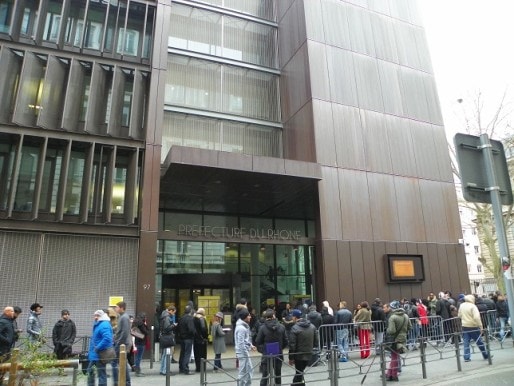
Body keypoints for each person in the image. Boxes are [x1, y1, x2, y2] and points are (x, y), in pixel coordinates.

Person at [255, 309, 288, 386]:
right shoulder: (282, 327)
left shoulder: (262, 328)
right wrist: (280, 348)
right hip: (278, 354)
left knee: (265, 376)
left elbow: (258, 342)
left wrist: (264, 350)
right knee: (278, 376)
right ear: (274, 316)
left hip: (267, 355)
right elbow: (286, 341)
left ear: (266, 317)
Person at [458, 295, 491, 362]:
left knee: (466, 342)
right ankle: (485, 354)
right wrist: (480, 326)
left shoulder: (462, 305)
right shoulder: (473, 306)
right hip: (473, 326)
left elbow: (459, 315)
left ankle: (466, 357)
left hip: (464, 326)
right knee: (479, 341)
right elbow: (476, 317)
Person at [289, 309, 317, 385]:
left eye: (292, 316)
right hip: (308, 353)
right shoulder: (312, 326)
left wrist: (291, 357)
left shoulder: (295, 328)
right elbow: (316, 341)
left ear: (295, 317)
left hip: (299, 355)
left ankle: (297, 384)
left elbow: (292, 344)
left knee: (299, 373)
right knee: (300, 372)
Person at [385, 301, 411, 382]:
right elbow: (410, 327)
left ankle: (393, 374)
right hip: (402, 338)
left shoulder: (392, 317)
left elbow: (392, 331)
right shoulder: (406, 316)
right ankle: (390, 374)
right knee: (395, 356)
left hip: (394, 339)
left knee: (394, 357)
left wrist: (387, 330)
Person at [87, 310, 114, 386]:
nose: (95, 317)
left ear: (102, 316)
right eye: (95, 315)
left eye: (98, 315)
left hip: (99, 354)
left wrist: (98, 347)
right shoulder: (100, 324)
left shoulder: (103, 325)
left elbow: (107, 338)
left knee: (98, 373)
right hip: (96, 354)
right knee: (94, 372)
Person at [234, 308, 256, 386]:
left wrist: (251, 345)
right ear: (245, 317)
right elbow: (240, 343)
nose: (250, 317)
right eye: (249, 316)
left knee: (248, 370)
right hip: (243, 353)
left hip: (243, 352)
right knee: (243, 372)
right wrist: (245, 352)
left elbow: (244, 340)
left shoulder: (243, 326)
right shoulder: (241, 328)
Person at [113, 301, 132, 386]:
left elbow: (124, 332)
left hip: (122, 345)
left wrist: (118, 343)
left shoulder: (124, 317)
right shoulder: (122, 316)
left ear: (121, 308)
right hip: (122, 343)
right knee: (122, 363)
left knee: (122, 363)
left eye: (116, 307)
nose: (115, 309)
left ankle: (126, 382)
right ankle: (125, 382)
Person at [177, 305, 195, 375]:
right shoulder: (189, 319)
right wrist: (193, 334)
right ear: (190, 311)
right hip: (188, 338)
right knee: (187, 353)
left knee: (182, 353)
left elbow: (178, 328)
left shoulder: (181, 318)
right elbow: (191, 329)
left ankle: (181, 367)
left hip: (182, 338)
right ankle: (186, 369)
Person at [159, 306, 177, 375]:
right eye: (174, 312)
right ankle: (165, 370)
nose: (174, 314)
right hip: (167, 337)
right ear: (171, 311)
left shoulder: (163, 315)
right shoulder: (167, 317)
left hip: (164, 337)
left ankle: (162, 369)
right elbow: (167, 328)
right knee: (167, 354)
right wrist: (173, 325)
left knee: (164, 354)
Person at [0, 306, 15, 385]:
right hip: (2, 348)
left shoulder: (9, 321)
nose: (13, 313)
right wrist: (7, 340)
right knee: (2, 364)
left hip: (7, 348)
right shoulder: (3, 321)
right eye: (12, 311)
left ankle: (1, 379)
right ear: (7, 312)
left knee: (5, 364)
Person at [193, 308, 208, 373]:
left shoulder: (193, 318)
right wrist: (205, 337)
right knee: (202, 354)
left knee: (196, 354)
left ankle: (197, 367)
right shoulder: (201, 319)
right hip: (202, 339)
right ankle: (202, 368)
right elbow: (203, 329)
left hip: (195, 339)